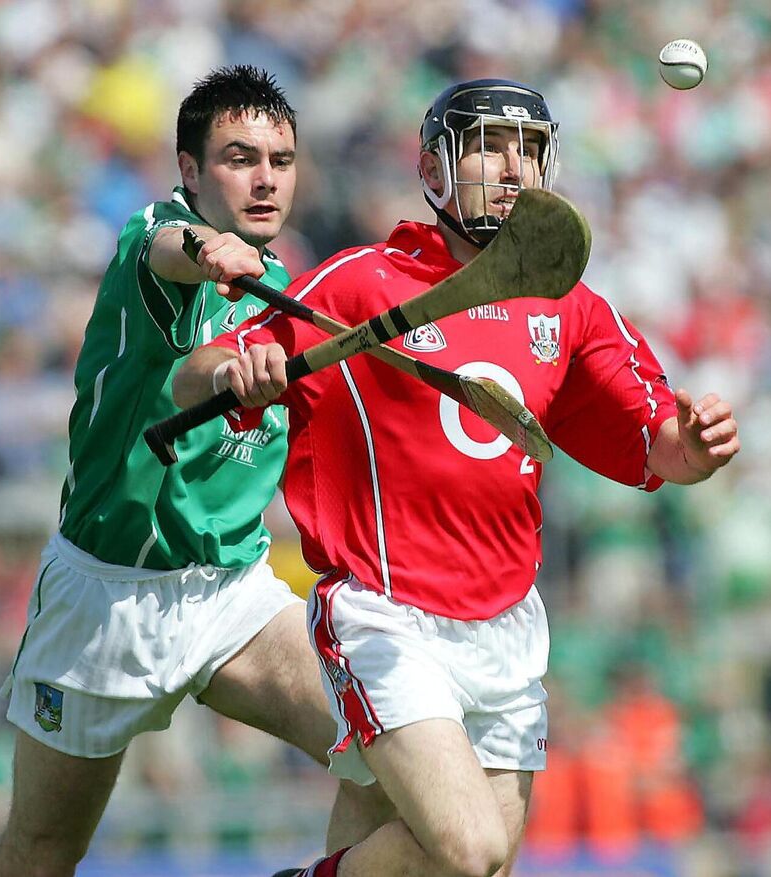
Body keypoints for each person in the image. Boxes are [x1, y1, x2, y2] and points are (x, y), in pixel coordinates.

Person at [173, 78, 742, 877]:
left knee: (471, 866)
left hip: (506, 623)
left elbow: (660, 448)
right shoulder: (362, 280)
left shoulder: (571, 307)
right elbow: (193, 376)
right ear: (433, 169)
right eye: (487, 148)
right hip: (386, 614)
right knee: (471, 850)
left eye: (527, 151)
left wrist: (698, 445)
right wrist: (239, 371)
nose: (510, 168)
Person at [0, 65, 390, 877]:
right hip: (107, 598)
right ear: (191, 169)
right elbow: (174, 261)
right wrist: (210, 252)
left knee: (390, 765)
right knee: (39, 856)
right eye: (239, 158)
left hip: (231, 595)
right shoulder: (157, 237)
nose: (265, 180)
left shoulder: (286, 290)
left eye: (281, 161)